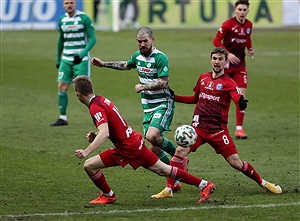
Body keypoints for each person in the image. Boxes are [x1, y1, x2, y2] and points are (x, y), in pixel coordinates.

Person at [151, 47, 282, 199]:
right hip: (198, 129)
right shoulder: (203, 78)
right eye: (214, 58)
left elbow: (236, 98)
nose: (217, 62)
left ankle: (263, 183)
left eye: (220, 59)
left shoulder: (229, 83)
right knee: (180, 152)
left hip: (218, 131)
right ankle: (168, 189)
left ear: (226, 62)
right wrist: (175, 97)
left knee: (236, 163)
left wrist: (241, 103)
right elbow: (195, 99)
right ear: (210, 60)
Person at [72, 75, 215, 204]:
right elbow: (112, 125)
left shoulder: (95, 107)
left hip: (127, 148)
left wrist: (86, 151)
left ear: (78, 93)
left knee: (89, 165)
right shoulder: (101, 100)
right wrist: (96, 134)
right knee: (163, 169)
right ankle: (204, 184)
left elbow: (105, 132)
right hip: (134, 141)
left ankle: (108, 195)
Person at [91, 27, 187, 193]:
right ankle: (175, 176)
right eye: (139, 41)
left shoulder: (160, 57)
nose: (142, 44)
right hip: (148, 107)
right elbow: (125, 65)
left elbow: (164, 83)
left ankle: (180, 157)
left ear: (152, 40)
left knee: (152, 136)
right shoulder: (137, 57)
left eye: (145, 41)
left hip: (163, 103)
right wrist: (104, 64)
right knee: (154, 147)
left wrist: (144, 86)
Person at [51, 0, 97, 126]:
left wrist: (81, 55)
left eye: (71, 2)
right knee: (62, 86)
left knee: (84, 91)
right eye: (66, 3)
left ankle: (97, 116)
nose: (69, 5)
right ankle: (63, 117)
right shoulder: (62, 20)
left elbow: (93, 39)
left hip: (81, 60)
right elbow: (61, 39)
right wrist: (58, 59)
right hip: (66, 59)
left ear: (75, 4)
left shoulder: (84, 18)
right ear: (63, 5)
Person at [213, 0, 254, 139]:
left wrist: (250, 49)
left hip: (240, 66)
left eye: (244, 10)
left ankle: (239, 129)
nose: (242, 12)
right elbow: (216, 41)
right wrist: (227, 54)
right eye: (240, 9)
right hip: (226, 65)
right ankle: (218, 126)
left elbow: (247, 38)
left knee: (241, 97)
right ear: (235, 10)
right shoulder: (228, 25)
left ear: (247, 11)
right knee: (222, 96)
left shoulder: (249, 25)